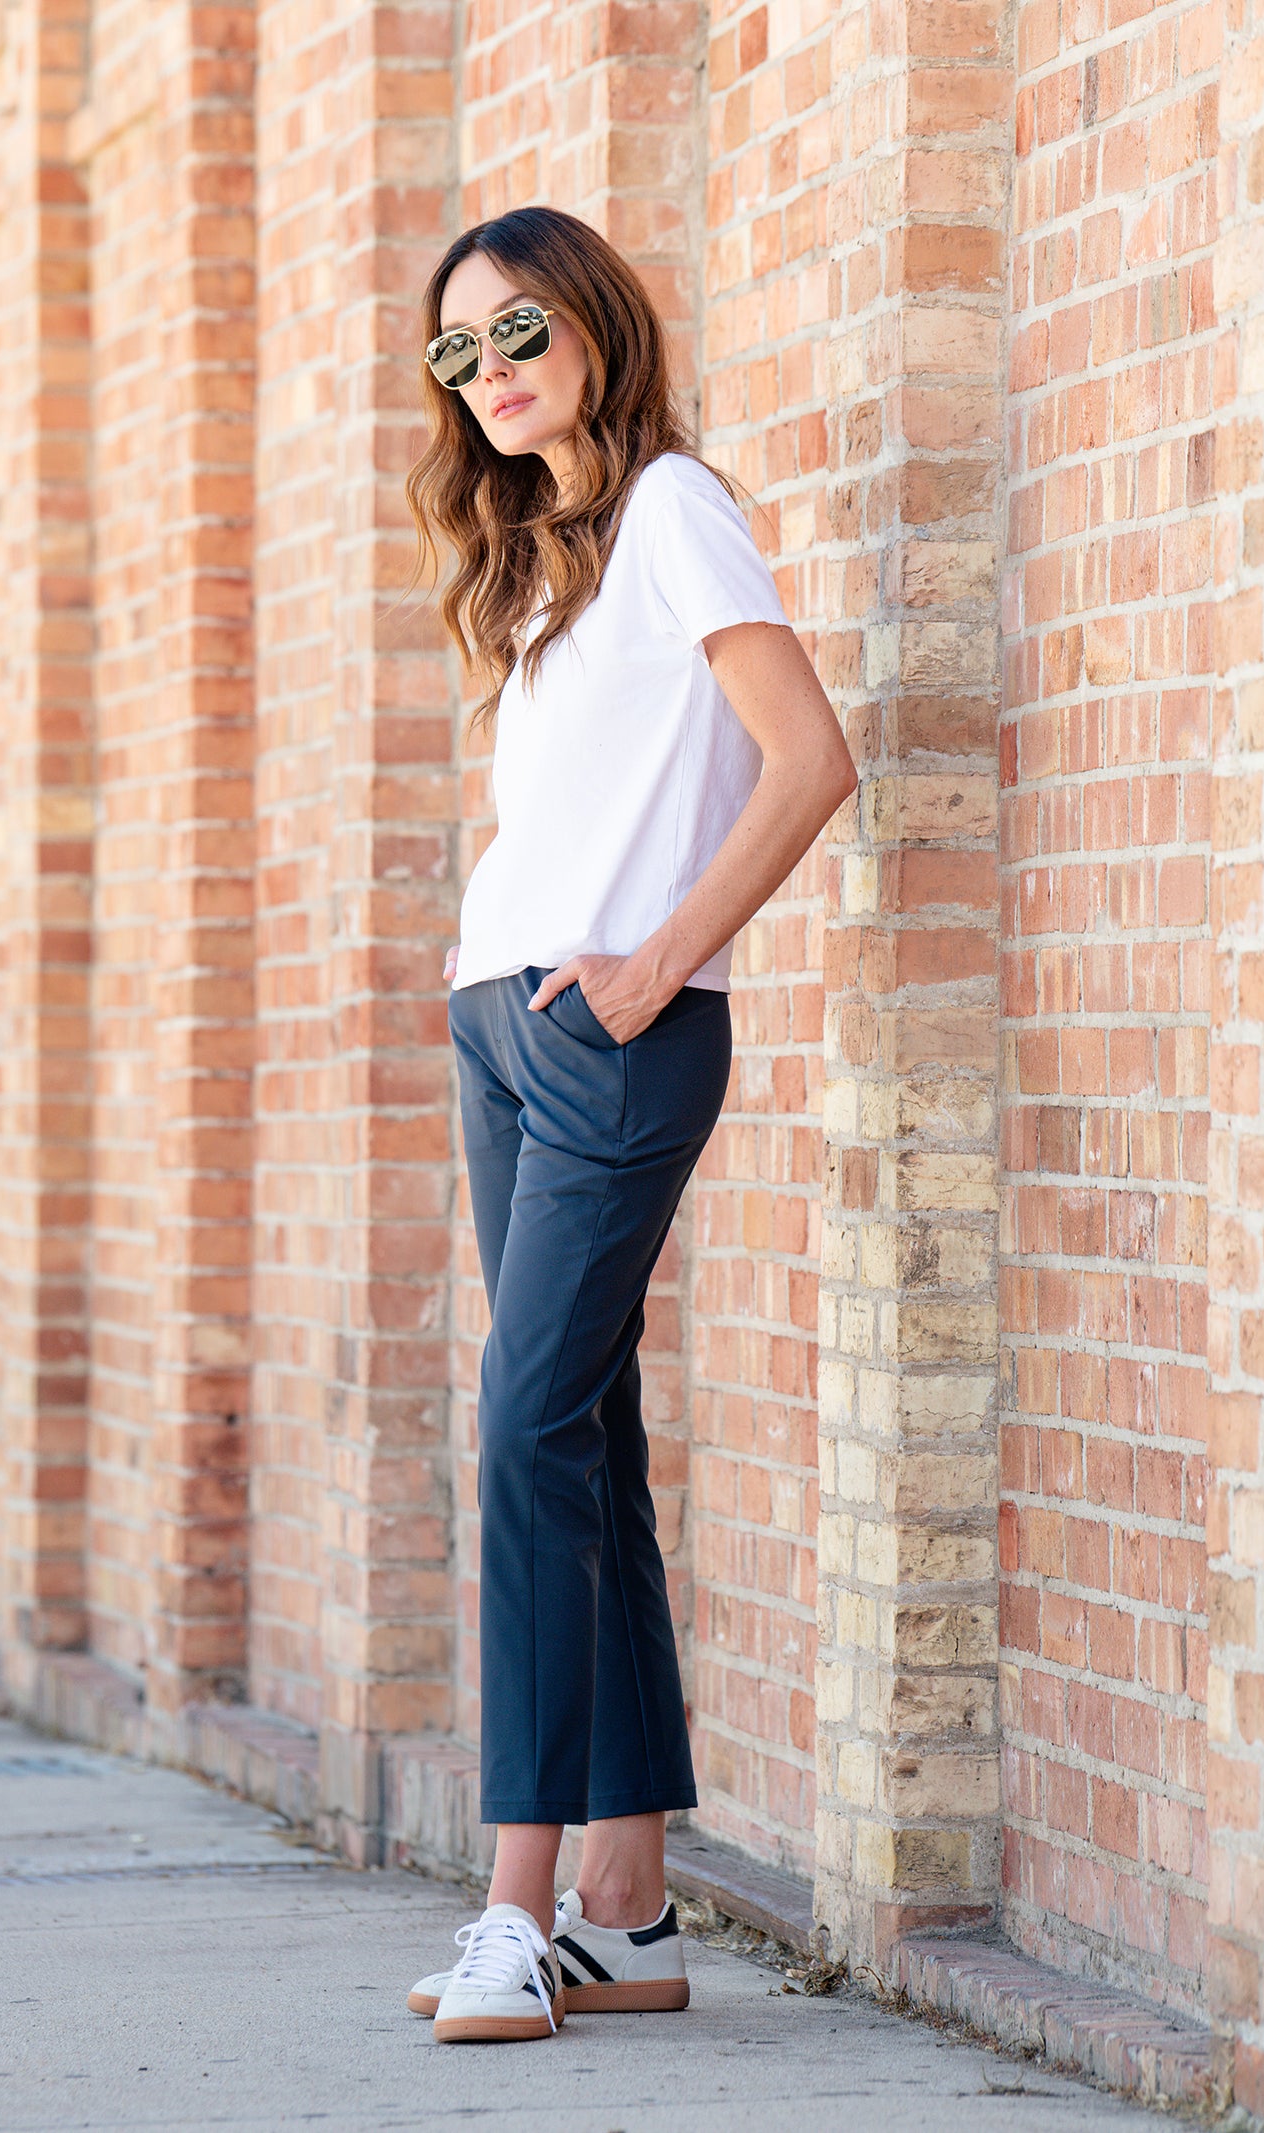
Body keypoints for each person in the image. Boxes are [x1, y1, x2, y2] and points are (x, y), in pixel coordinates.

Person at [399, 204, 858, 2046]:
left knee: (523, 1433)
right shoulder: (540, 562)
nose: (491, 374)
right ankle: (627, 1902)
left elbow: (811, 756)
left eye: (517, 333)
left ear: (591, 323)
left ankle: (510, 1909)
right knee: (584, 1441)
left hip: (611, 1034)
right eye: (458, 355)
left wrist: (663, 960)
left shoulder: (673, 508)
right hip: (504, 1026)